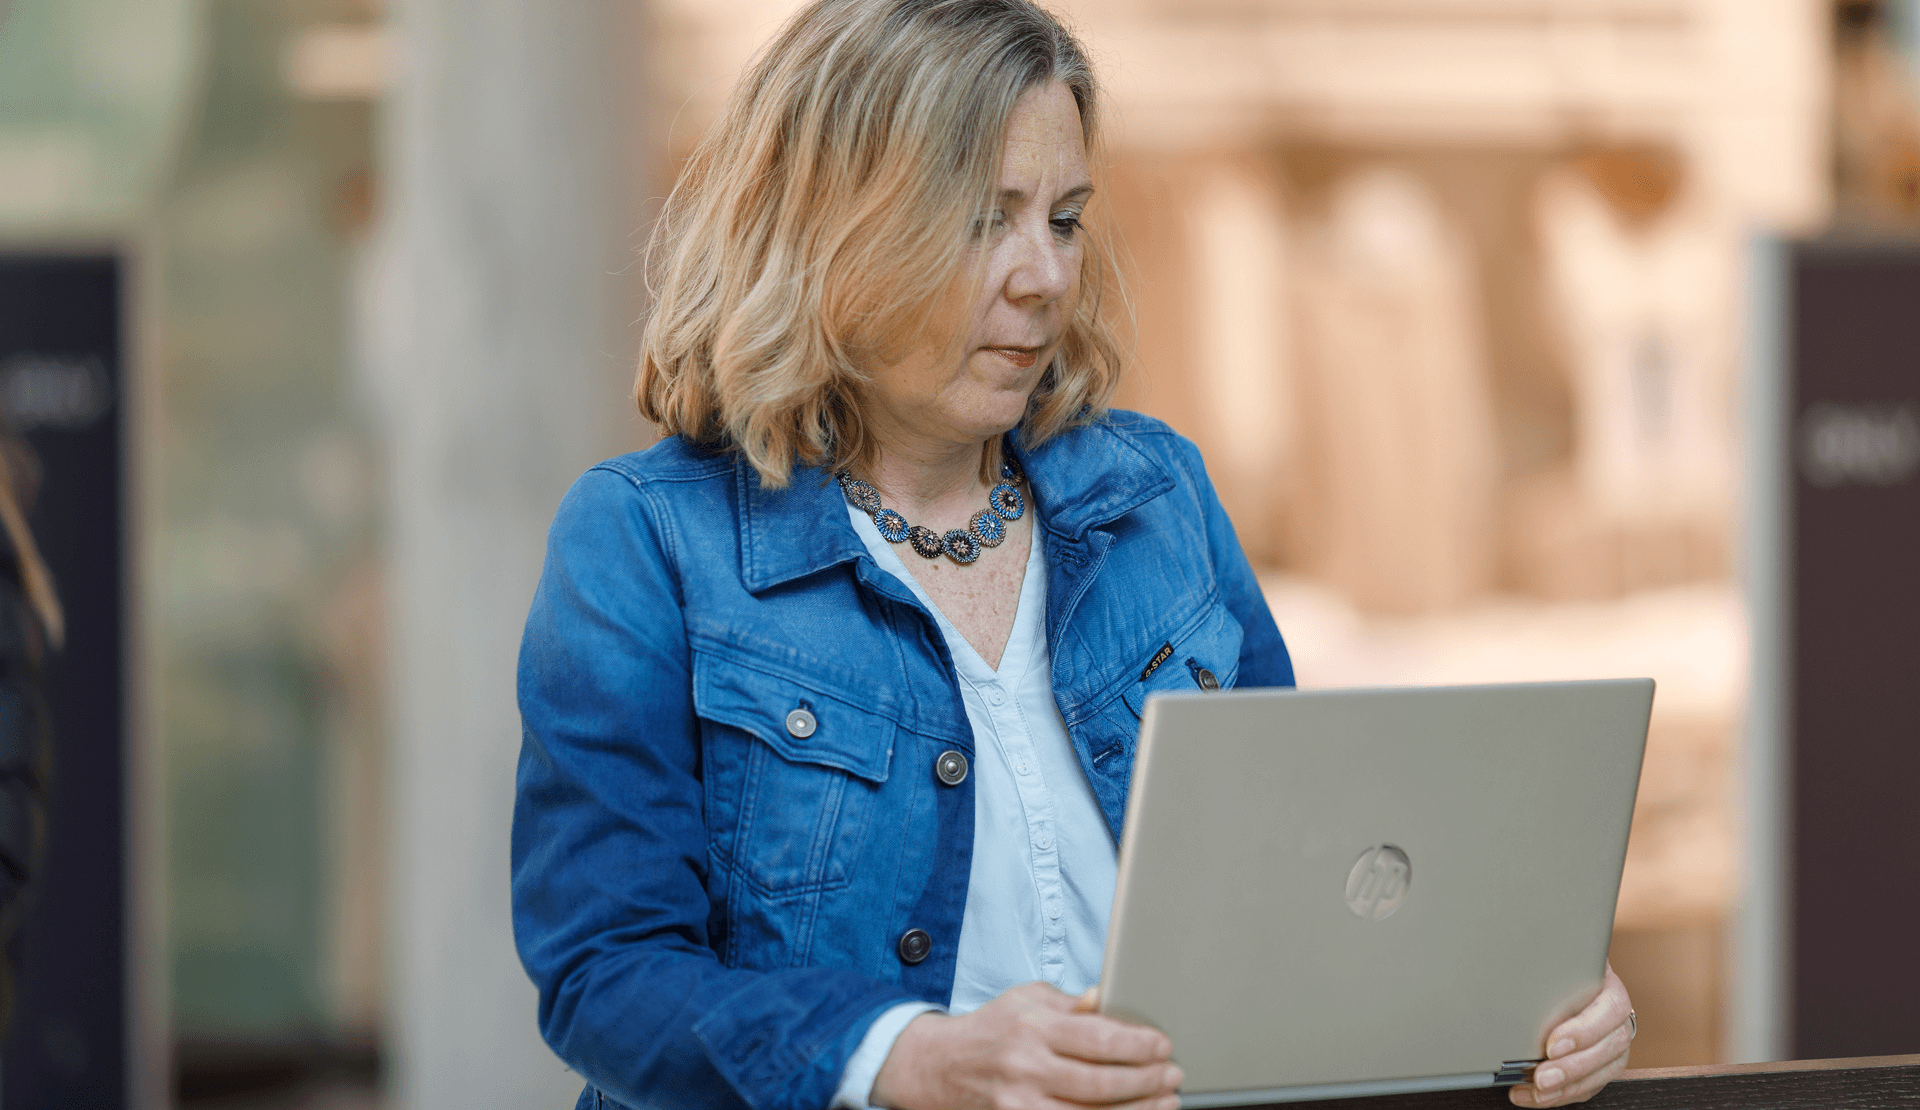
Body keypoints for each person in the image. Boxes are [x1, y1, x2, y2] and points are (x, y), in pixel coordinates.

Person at [511, 2, 1636, 1108]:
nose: (1044, 276)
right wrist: (909, 1059)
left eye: (1062, 218)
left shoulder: (1157, 498)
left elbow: (1308, 889)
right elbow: (604, 977)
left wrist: (1517, 997)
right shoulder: (650, 542)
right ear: (828, 226)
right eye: (982, 218)